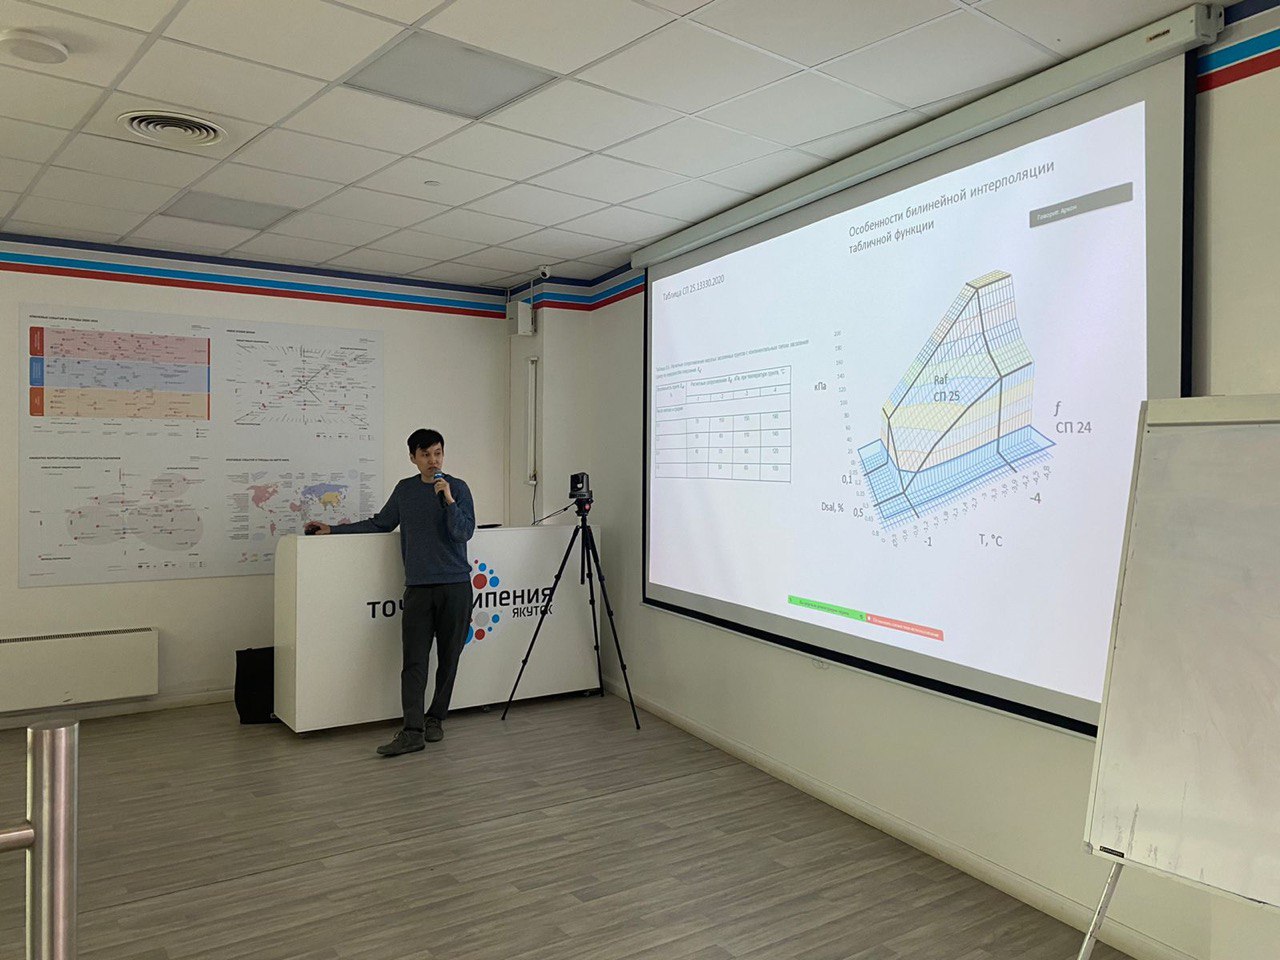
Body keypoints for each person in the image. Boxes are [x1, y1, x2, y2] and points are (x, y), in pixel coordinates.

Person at [305, 428, 476, 757]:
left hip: (455, 586)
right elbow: (380, 523)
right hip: (418, 587)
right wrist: (333, 530)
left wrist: (449, 500)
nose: (433, 460)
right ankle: (412, 730)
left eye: (437, 453)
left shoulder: (458, 488)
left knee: (449, 658)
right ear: (413, 458)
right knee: (414, 661)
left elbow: (463, 533)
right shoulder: (404, 490)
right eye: (425, 454)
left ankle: (436, 718)